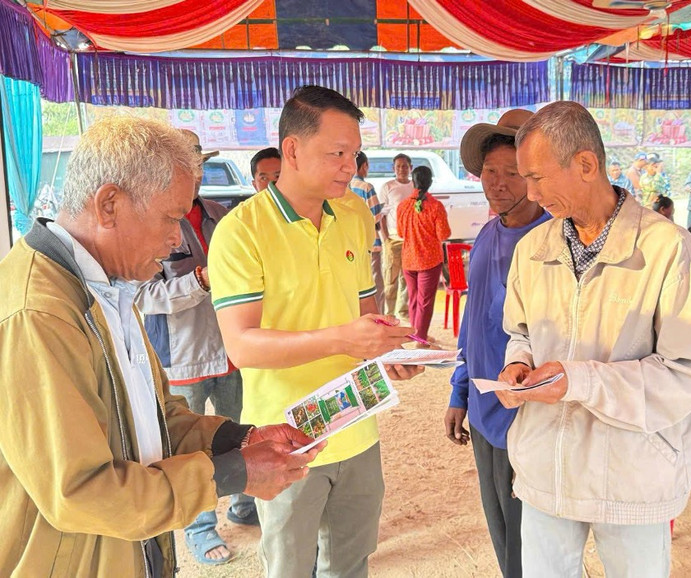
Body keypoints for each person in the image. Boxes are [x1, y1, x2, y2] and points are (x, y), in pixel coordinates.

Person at [0, 116, 323, 577]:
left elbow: (154, 420)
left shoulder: (108, 287)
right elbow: (83, 493)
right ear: (109, 204)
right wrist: (232, 474)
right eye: (171, 217)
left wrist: (242, 439)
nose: (177, 239)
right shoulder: (41, 314)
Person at [207, 85, 422, 578]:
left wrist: (389, 349)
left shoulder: (352, 214)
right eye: (337, 153)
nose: (350, 166)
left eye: (355, 153)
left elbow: (368, 309)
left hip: (358, 423)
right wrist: (345, 340)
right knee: (289, 566)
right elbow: (242, 346)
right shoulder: (242, 230)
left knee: (351, 563)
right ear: (292, 150)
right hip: (284, 438)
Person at [497, 101, 691, 577]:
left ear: (586, 164)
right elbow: (520, 331)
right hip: (546, 465)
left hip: (630, 470)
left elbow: (686, 373)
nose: (528, 194)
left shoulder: (667, 249)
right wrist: (519, 364)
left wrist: (579, 381)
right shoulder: (533, 249)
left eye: (536, 177)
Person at [135, 129, 258, 566]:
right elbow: (143, 296)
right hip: (182, 357)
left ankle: (246, 503)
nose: (195, 174)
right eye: (186, 167)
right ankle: (201, 528)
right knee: (189, 448)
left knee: (239, 431)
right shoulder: (149, 222)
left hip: (230, 347)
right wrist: (199, 281)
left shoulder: (222, 215)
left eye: (199, 165)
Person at [445, 108, 550, 578]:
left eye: (512, 173)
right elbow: (471, 324)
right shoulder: (487, 235)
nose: (499, 183)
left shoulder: (551, 241)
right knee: (502, 528)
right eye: (491, 171)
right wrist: (458, 392)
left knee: (532, 536)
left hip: (527, 415)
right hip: (485, 413)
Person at [396, 166, 451, 342]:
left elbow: (400, 233)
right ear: (430, 182)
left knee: (413, 298)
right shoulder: (435, 206)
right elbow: (444, 234)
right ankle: (420, 338)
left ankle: (416, 334)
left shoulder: (403, 206)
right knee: (425, 302)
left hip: (408, 259)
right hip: (429, 259)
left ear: (413, 181)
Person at [349, 151, 385, 312]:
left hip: (349, 244)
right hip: (371, 244)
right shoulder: (366, 187)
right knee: (374, 284)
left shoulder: (345, 187)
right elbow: (375, 215)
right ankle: (379, 319)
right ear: (363, 166)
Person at [379, 153, 414, 320]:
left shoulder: (415, 187)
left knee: (407, 279)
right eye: (398, 166)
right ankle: (389, 314)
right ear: (393, 169)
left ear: (410, 168)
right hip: (393, 240)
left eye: (405, 166)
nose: (402, 169)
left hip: (412, 241)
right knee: (390, 280)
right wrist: (385, 239)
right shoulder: (388, 187)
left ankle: (403, 312)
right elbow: (381, 216)